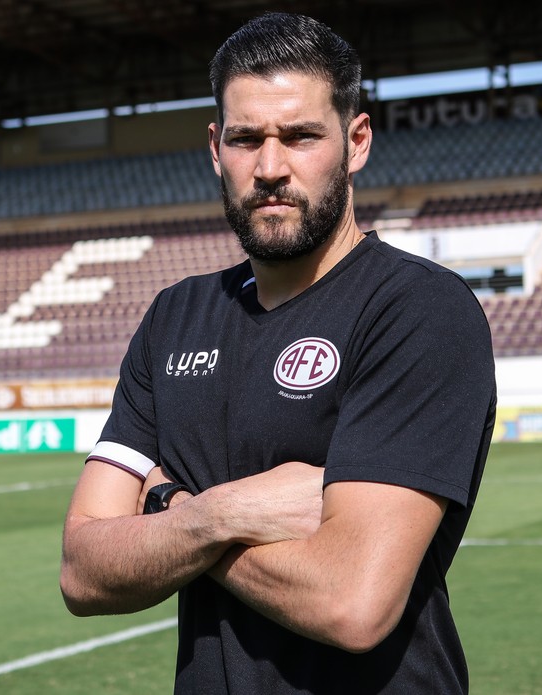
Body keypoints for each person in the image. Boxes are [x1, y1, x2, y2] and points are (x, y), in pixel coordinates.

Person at [60, 11, 496, 694]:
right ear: (215, 148)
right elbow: (83, 571)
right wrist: (214, 514)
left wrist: (167, 508)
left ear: (356, 141)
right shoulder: (175, 316)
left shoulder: (418, 308)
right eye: (245, 138)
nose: (269, 166)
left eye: (299, 136)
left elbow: (351, 601)